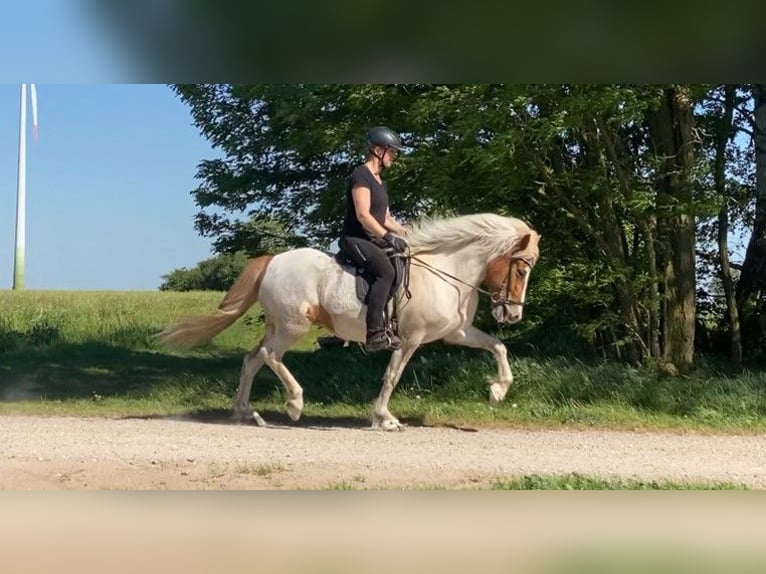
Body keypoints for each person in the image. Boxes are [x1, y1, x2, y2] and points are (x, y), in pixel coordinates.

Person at [340, 126, 409, 352]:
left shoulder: (380, 182)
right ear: (378, 150)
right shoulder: (361, 175)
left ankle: (388, 322)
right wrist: (388, 238)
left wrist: (407, 233)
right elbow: (363, 215)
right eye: (392, 152)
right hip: (355, 238)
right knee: (386, 272)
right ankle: (374, 334)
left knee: (400, 266)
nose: (395, 157)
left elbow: (386, 218)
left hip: (372, 239)